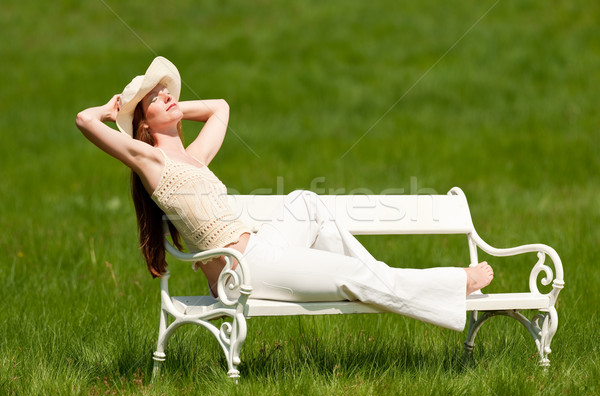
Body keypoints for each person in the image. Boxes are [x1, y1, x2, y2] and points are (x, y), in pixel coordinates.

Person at [76, 56, 493, 331]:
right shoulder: (151, 162)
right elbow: (83, 120)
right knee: (352, 276)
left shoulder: (195, 158)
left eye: (168, 92)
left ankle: (386, 278)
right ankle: (452, 285)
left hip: (257, 251)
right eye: (156, 97)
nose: (168, 96)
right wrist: (115, 111)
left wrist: (174, 107)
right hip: (241, 273)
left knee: (306, 203)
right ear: (143, 123)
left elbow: (220, 106)